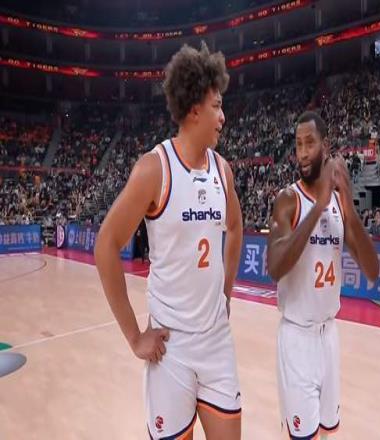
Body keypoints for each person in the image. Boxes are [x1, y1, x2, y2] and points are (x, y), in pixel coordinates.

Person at [94, 42, 243, 440]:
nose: (223, 117)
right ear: (194, 109)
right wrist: (133, 336)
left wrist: (226, 293)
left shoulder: (223, 171)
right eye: (216, 106)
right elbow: (106, 244)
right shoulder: (153, 169)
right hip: (170, 346)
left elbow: (235, 228)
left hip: (216, 341)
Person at [267, 111, 379, 439]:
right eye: (298, 145)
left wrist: (349, 207)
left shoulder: (339, 206)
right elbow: (275, 267)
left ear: (325, 146)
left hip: (329, 336)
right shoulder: (288, 200)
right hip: (297, 338)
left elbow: (372, 271)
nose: (302, 153)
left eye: (310, 143)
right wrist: (318, 207)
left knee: (328, 433)